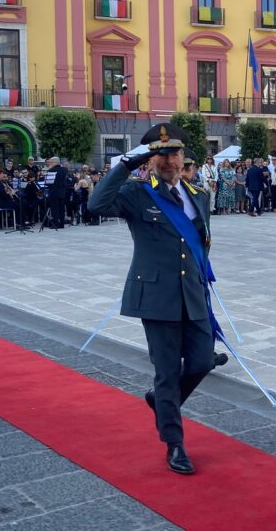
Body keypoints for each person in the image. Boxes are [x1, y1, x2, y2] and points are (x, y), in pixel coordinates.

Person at [88, 123, 217, 475]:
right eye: (160, 154)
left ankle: (159, 403)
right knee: (167, 371)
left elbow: (198, 246)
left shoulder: (198, 195)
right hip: (156, 295)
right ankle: (174, 443)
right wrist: (126, 165)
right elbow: (96, 204)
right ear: (149, 159)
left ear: (183, 157)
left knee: (203, 362)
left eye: (174, 153)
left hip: (192, 294)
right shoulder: (137, 193)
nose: (169, 160)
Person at [45, 156, 67, 228]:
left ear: (55, 162)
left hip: (54, 192)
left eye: (50, 162)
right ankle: (62, 224)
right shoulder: (64, 170)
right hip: (62, 193)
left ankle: (56, 224)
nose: (49, 163)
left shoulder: (51, 171)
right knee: (61, 208)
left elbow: (48, 183)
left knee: (55, 209)